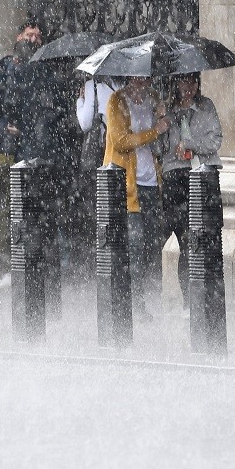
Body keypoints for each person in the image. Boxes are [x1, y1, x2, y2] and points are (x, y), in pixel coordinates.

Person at [104, 75, 169, 320]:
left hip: (151, 180)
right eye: (137, 75)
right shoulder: (116, 101)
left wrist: (162, 116)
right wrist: (155, 130)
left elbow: (159, 141)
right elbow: (120, 141)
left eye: (146, 75)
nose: (142, 79)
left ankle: (152, 298)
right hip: (129, 183)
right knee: (135, 243)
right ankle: (134, 302)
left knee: (153, 242)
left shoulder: (153, 98)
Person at [157, 72, 223, 314]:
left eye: (193, 81)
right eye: (184, 81)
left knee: (204, 240)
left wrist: (192, 144)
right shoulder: (167, 109)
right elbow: (158, 149)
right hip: (176, 178)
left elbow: (216, 140)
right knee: (185, 240)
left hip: (203, 175)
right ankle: (188, 299)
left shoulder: (206, 106)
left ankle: (207, 298)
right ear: (175, 83)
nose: (188, 87)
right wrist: (160, 124)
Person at [0, 20, 44, 279]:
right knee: (3, 208)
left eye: (36, 37)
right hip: (5, 148)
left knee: (27, 208)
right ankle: (6, 265)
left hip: (29, 149)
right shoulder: (6, 65)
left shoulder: (41, 68)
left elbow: (40, 105)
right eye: (28, 35)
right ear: (18, 36)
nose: (32, 40)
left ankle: (26, 263)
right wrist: (14, 69)